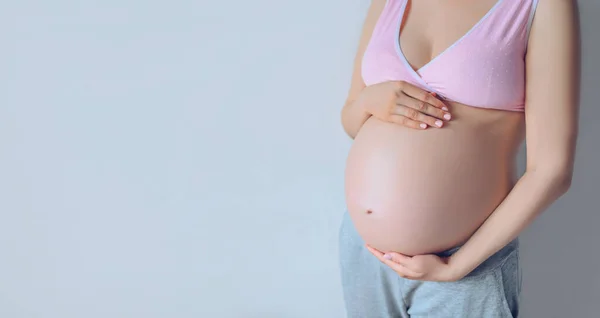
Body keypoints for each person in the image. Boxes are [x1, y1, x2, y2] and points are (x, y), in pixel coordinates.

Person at [338, 0, 580, 317]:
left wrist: (456, 266)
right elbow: (351, 118)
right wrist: (370, 101)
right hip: (365, 253)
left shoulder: (544, 4)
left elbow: (552, 169)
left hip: (466, 264)